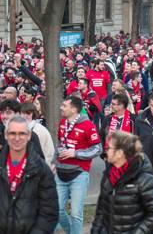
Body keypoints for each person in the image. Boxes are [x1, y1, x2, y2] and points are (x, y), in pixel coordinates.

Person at [0, 116, 58, 233]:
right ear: (6, 135)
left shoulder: (41, 170)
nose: (17, 138)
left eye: (22, 134)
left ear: (29, 136)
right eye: (12, 133)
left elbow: (49, 212)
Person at [91, 131, 153, 233]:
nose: (106, 151)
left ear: (120, 153)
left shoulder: (144, 179)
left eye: (109, 148)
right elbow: (101, 210)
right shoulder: (109, 176)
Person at [54, 96, 102, 234]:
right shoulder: (63, 122)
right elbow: (60, 143)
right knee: (56, 210)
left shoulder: (88, 125)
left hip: (79, 174)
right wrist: (57, 156)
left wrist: (75, 153)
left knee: (76, 214)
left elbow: (97, 149)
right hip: (60, 172)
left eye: (64, 105)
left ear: (74, 109)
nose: (61, 108)